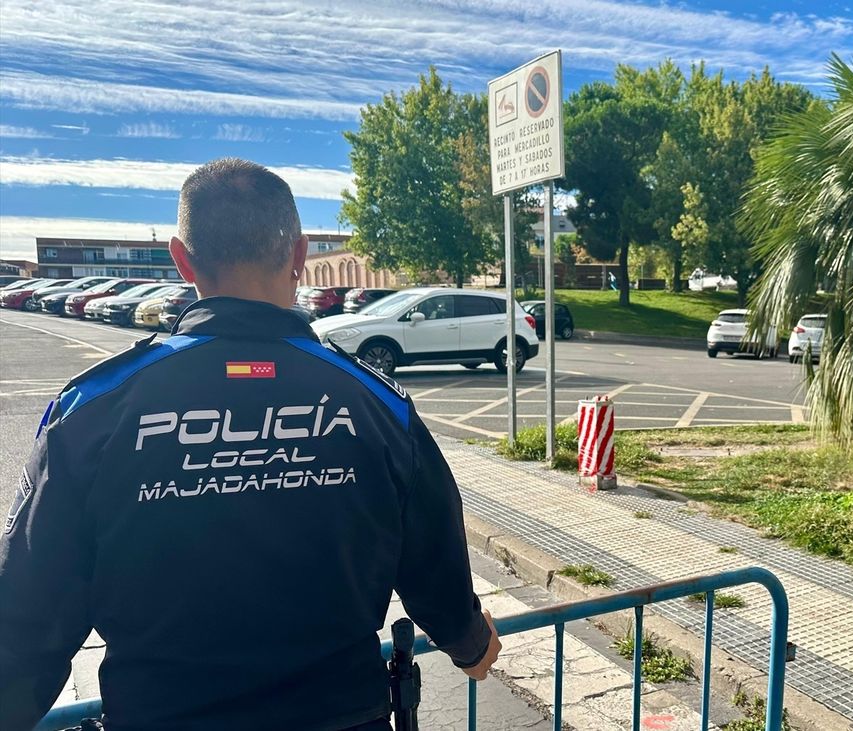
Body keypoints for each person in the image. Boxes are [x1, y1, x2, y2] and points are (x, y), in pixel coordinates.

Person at [0, 158, 501, 730]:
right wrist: (468, 642)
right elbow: (434, 552)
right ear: (299, 254)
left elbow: (27, 620)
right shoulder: (376, 402)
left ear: (182, 259)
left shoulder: (94, 409)